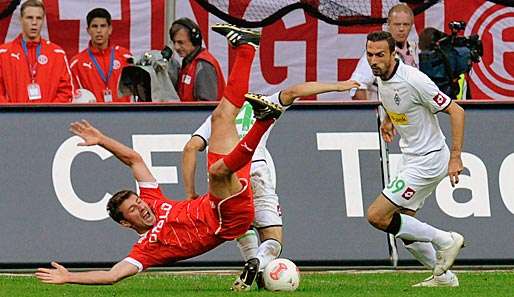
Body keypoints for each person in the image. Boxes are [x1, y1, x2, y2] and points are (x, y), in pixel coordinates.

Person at [35, 23, 275, 285]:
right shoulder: (147, 249)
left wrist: (102, 140)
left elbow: (134, 159)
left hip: (220, 199)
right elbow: (111, 275)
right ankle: (263, 121)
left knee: (221, 117)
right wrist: (69, 277)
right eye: (134, 211)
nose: (142, 207)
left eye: (138, 202)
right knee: (217, 171)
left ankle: (247, 47)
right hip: (228, 221)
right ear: (127, 224)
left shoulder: (152, 200)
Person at [182, 80, 359, 291]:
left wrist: (191, 193)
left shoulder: (219, 117)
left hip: (223, 175)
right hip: (255, 170)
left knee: (240, 226)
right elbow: (294, 91)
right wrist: (338, 87)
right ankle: (257, 262)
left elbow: (191, 147)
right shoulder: (264, 105)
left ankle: (252, 270)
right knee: (273, 240)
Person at [364, 31, 465, 287]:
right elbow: (398, 103)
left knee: (377, 216)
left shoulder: (414, 80)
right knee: (405, 225)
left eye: (380, 55)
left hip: (429, 159)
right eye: (369, 54)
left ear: (393, 54)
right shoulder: (383, 79)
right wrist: (389, 120)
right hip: (411, 157)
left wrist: (455, 157)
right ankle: (443, 278)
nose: (374, 60)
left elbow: (457, 110)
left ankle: (446, 240)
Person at [0, 0, 73, 103]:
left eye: (38, 18)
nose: (34, 22)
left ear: (43, 20)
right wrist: (12, 115)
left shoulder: (57, 53)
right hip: (13, 117)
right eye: (29, 18)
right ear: (21, 19)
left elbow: (66, 91)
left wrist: (49, 115)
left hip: (48, 117)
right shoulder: (3, 53)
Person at [351, 4, 418, 100]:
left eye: (406, 24)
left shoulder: (414, 49)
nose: (402, 29)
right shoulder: (378, 52)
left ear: (411, 25)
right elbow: (356, 87)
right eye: (397, 24)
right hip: (384, 112)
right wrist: (367, 114)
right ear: (388, 24)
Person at [70, 8, 133, 103]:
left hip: (124, 115)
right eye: (94, 26)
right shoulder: (77, 63)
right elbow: (72, 96)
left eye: (103, 26)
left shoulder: (125, 57)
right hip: (93, 116)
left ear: (110, 29)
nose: (99, 31)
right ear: (88, 30)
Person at [168, 17, 225, 101]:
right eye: (174, 42)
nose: (176, 47)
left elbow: (206, 107)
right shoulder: (189, 62)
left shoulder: (204, 65)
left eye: (180, 42)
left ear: (194, 40)